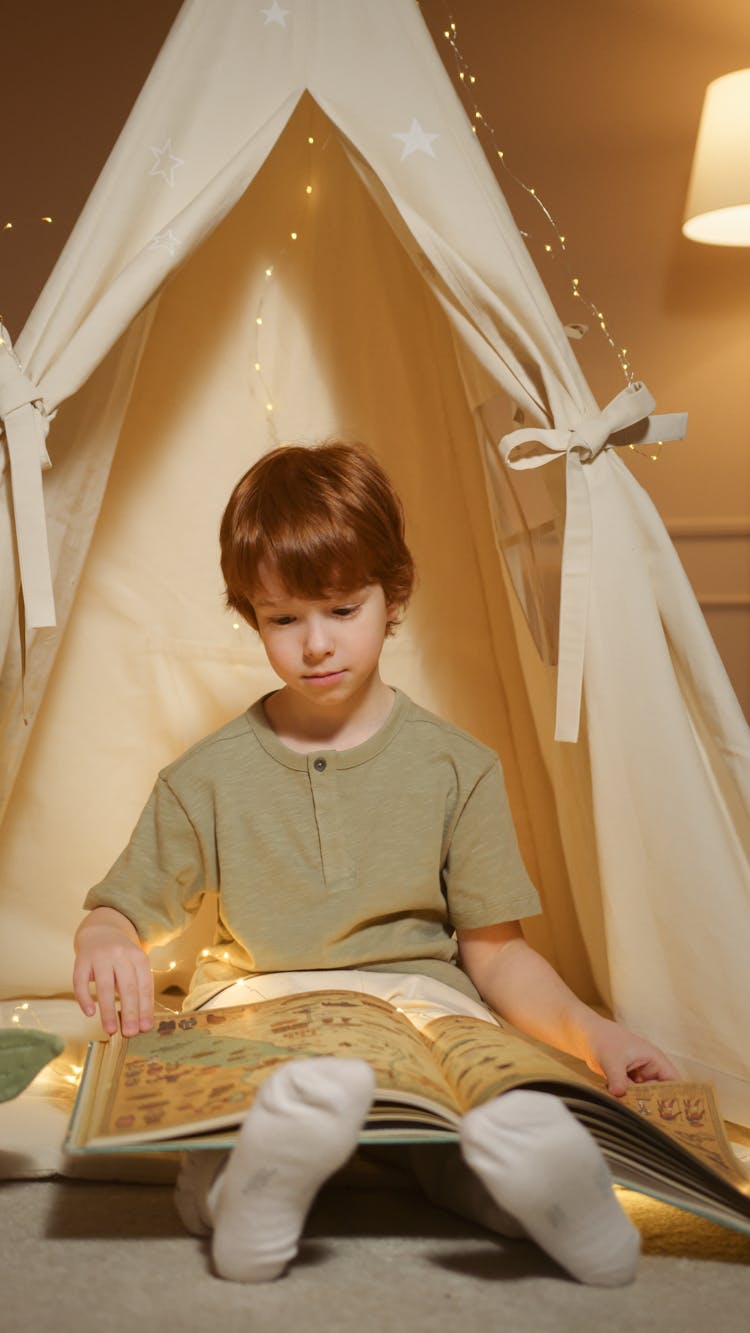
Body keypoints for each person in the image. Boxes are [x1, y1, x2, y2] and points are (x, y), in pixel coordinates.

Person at [73, 441, 678, 1286]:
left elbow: (497, 952)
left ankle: (562, 1197)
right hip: (264, 1011)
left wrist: (593, 1032)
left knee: (478, 1135)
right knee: (231, 1125)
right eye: (284, 620)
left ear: (393, 596)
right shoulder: (205, 775)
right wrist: (104, 932)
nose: (316, 644)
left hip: (421, 1015)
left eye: (342, 610)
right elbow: (122, 904)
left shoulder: (459, 766)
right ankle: (251, 1193)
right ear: (252, 616)